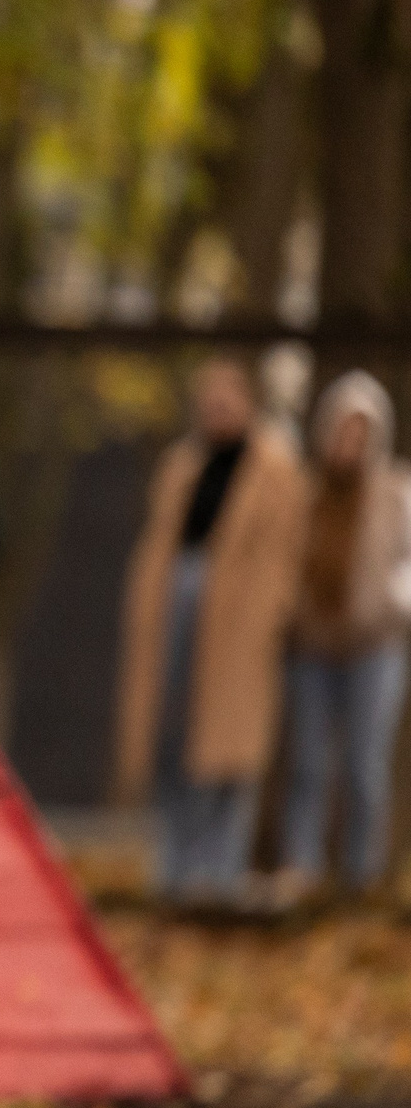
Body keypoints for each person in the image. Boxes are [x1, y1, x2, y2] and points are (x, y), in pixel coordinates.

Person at [114, 357, 309, 908]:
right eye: (208, 403)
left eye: (227, 401)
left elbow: (284, 554)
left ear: (247, 403)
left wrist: (267, 613)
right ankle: (174, 870)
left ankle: (219, 873)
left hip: (240, 629)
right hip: (178, 614)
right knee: (173, 742)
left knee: (230, 755)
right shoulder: (182, 465)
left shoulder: (275, 470)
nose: (217, 412)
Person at [276, 371, 411, 901]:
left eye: (360, 432)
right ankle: (302, 869)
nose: (349, 443)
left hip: (375, 646)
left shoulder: (396, 491)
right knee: (308, 763)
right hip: (312, 646)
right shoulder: (305, 493)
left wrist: (393, 605)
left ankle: (362, 876)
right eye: (342, 430)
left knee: (364, 766)